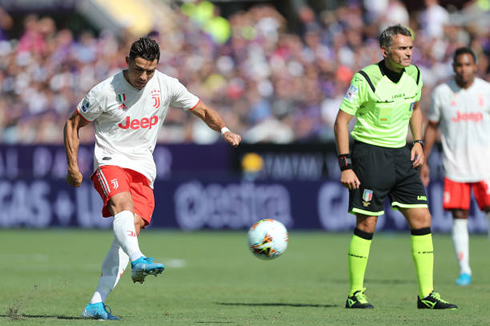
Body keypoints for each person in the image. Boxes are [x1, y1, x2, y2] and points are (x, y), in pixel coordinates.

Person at [64, 36, 241, 320]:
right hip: (110, 161)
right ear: (127, 63)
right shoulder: (105, 91)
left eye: (150, 70)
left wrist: (224, 131)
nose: (144, 77)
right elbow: (73, 124)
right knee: (123, 208)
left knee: (128, 231)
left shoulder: (166, 85)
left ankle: (95, 304)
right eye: (139, 69)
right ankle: (138, 260)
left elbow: (203, 110)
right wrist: (73, 166)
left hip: (144, 170)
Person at [333, 24, 457, 310]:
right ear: (385, 50)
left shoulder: (414, 75)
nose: (408, 54)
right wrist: (346, 165)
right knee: (367, 223)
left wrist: (418, 142)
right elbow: (341, 122)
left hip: (402, 156)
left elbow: (415, 108)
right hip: (369, 156)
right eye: (402, 48)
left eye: (410, 48)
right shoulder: (365, 78)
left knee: (423, 219)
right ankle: (355, 294)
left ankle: (427, 295)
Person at [420, 47, 490, 287]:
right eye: (459, 65)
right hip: (455, 167)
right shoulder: (442, 93)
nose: (463, 69)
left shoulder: (487, 92)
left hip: (486, 167)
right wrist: (425, 158)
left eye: (468, 64)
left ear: (476, 66)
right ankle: (464, 270)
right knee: (459, 217)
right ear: (453, 67)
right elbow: (432, 126)